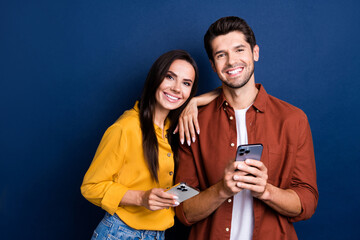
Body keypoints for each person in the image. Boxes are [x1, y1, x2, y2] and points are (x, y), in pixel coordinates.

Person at [174, 16, 319, 240]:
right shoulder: (193, 123)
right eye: (221, 55)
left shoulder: (293, 120)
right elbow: (182, 207)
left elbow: (307, 200)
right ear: (213, 65)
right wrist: (221, 189)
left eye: (239, 49)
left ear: (255, 53)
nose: (232, 61)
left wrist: (266, 191)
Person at [81, 50, 215, 240]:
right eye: (170, 77)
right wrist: (141, 198)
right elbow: (90, 187)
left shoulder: (173, 129)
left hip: (157, 235)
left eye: (186, 84)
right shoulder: (125, 128)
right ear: (155, 77)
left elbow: (229, 91)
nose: (177, 89)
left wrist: (195, 101)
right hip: (119, 233)